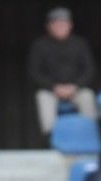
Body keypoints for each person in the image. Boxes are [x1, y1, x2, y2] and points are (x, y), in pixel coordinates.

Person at [27, 6, 96, 136]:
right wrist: (53, 87)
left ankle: (89, 135)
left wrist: (75, 86)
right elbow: (34, 72)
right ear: (49, 26)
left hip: (76, 89)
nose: (60, 27)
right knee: (42, 97)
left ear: (70, 25)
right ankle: (51, 137)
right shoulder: (39, 45)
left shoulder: (80, 43)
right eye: (56, 24)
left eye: (63, 24)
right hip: (51, 90)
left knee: (87, 96)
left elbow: (89, 70)